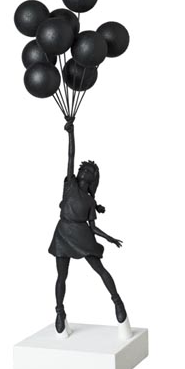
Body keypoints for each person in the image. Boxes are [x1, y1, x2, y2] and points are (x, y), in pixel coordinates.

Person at [48, 116, 127, 334]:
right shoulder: (70, 185)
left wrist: (109, 238)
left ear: (92, 178)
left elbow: (92, 227)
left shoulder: (91, 202)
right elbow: (70, 156)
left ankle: (117, 301)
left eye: (89, 171)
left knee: (100, 269)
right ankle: (60, 311)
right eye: (84, 169)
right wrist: (71, 133)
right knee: (61, 276)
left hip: (82, 234)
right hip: (63, 232)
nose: (85, 171)